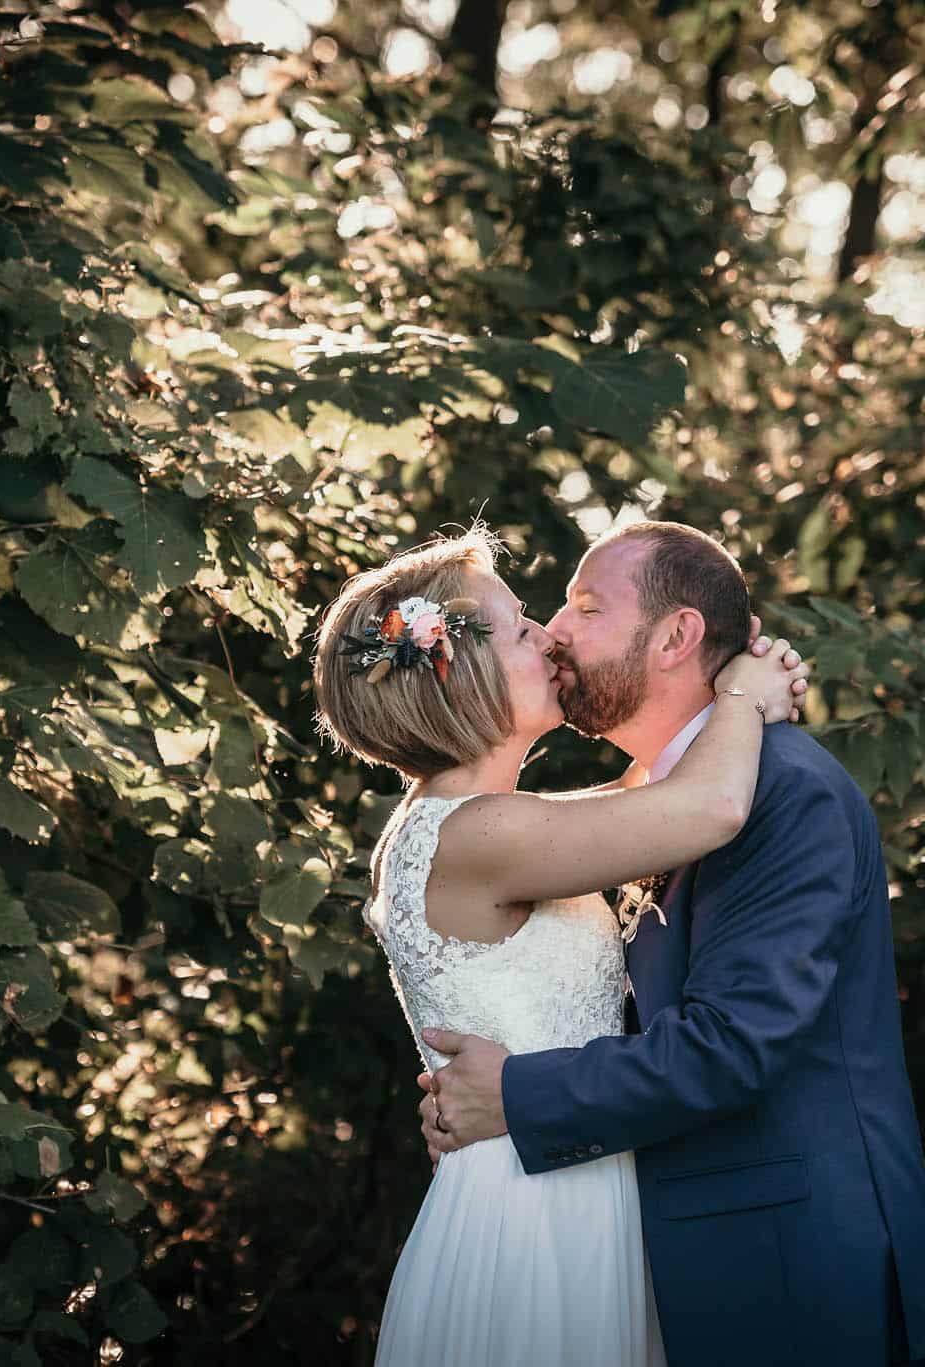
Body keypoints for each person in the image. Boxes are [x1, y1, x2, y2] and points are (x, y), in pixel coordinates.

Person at [417, 521, 925, 1365]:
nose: (556, 631)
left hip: (792, 1264)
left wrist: (516, 1092)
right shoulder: (659, 803)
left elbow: (734, 1044)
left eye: (586, 607)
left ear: (676, 636)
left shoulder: (787, 792)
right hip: (659, 1255)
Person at [312, 524, 810, 1367]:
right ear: (462, 677)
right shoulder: (478, 834)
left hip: (566, 1174)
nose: (547, 633)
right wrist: (741, 699)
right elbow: (708, 808)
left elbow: (641, 791)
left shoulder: (477, 823)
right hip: (533, 1211)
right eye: (519, 627)